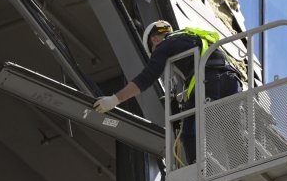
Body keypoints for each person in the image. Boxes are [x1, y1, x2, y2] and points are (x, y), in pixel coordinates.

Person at [93, 19, 244, 163]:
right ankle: (240, 164)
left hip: (210, 81)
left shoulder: (165, 45)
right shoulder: (190, 35)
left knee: (191, 133)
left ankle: (200, 171)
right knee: (231, 128)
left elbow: (146, 78)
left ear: (154, 40)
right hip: (233, 81)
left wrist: (114, 100)